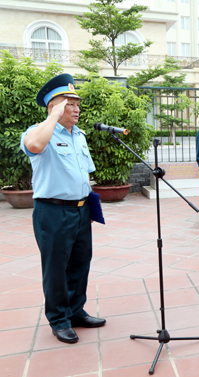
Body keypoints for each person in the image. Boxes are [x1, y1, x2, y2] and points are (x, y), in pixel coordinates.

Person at [20, 73, 105, 344]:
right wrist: (53, 118)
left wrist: (90, 207)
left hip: (81, 210)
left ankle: (76, 311)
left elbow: (84, 173)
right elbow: (34, 146)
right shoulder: (38, 132)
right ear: (53, 106)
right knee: (56, 267)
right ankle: (58, 319)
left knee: (81, 263)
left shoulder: (78, 135)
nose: (77, 108)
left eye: (78, 103)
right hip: (53, 212)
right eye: (69, 103)